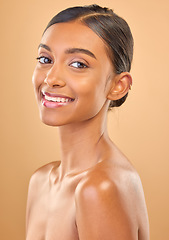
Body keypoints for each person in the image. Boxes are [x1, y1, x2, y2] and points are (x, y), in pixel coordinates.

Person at [26, 4, 149, 240]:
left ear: (118, 85)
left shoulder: (100, 188)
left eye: (78, 64)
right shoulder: (40, 181)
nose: (51, 78)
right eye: (45, 58)